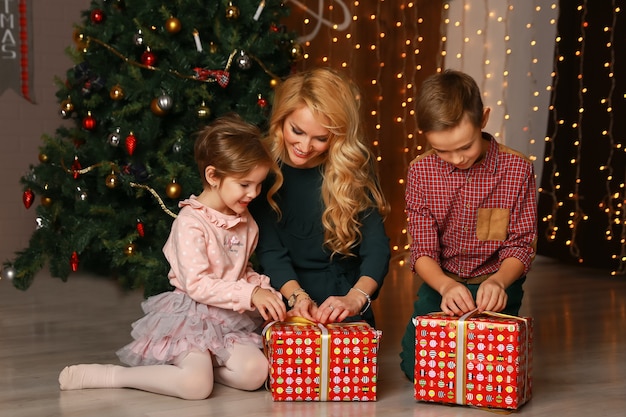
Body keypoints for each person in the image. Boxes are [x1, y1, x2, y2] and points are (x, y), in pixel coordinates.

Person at [58, 114, 287, 400]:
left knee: (255, 373)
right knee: (196, 388)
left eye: (259, 184)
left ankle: (203, 367)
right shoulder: (191, 222)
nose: (253, 193)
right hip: (190, 315)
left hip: (227, 319)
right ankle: (117, 376)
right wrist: (251, 294)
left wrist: (265, 292)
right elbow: (198, 284)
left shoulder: (246, 221)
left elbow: (241, 271)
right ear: (213, 176)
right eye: (244, 185)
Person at [399, 69, 538, 379]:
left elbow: (520, 243)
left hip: (498, 282)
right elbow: (422, 251)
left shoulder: (517, 170)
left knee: (489, 370)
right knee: (418, 369)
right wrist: (446, 286)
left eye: (465, 146)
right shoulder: (420, 172)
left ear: (483, 119)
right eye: (442, 150)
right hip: (442, 282)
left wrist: (500, 282)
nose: (457, 159)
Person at [249, 67, 391, 328]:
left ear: (337, 136)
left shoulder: (354, 164)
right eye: (297, 131)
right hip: (286, 297)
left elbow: (376, 247)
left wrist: (355, 299)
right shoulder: (262, 165)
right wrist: (297, 297)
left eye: (321, 138)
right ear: (281, 119)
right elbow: (271, 252)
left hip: (344, 295)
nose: (304, 147)